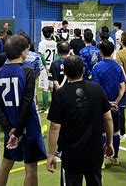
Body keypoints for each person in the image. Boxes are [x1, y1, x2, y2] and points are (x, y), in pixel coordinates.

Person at [46, 56, 114, 186]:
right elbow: (108, 118)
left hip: (71, 154)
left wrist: (51, 154)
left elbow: (55, 126)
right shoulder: (97, 89)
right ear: (83, 70)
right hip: (94, 151)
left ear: (64, 72)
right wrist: (109, 142)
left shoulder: (60, 94)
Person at [0, 35, 47, 186]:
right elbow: (27, 103)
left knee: (6, 164)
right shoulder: (27, 71)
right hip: (28, 127)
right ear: (23, 51)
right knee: (30, 168)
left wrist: (9, 129)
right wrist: (18, 131)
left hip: (10, 126)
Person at [91, 41, 126, 166]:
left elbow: (95, 88)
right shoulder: (118, 67)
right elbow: (122, 87)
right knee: (115, 131)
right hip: (114, 105)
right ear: (113, 52)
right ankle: (115, 157)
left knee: (100, 132)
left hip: (101, 105)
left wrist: (105, 103)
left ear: (101, 52)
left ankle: (100, 161)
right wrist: (116, 102)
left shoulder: (97, 67)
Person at [38, 26, 57, 112]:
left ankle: (45, 107)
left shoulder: (41, 43)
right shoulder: (55, 43)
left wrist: (46, 66)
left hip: (44, 68)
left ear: (43, 34)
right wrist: (53, 65)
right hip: (53, 66)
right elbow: (57, 55)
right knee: (53, 87)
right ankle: (54, 106)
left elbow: (41, 55)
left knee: (45, 87)